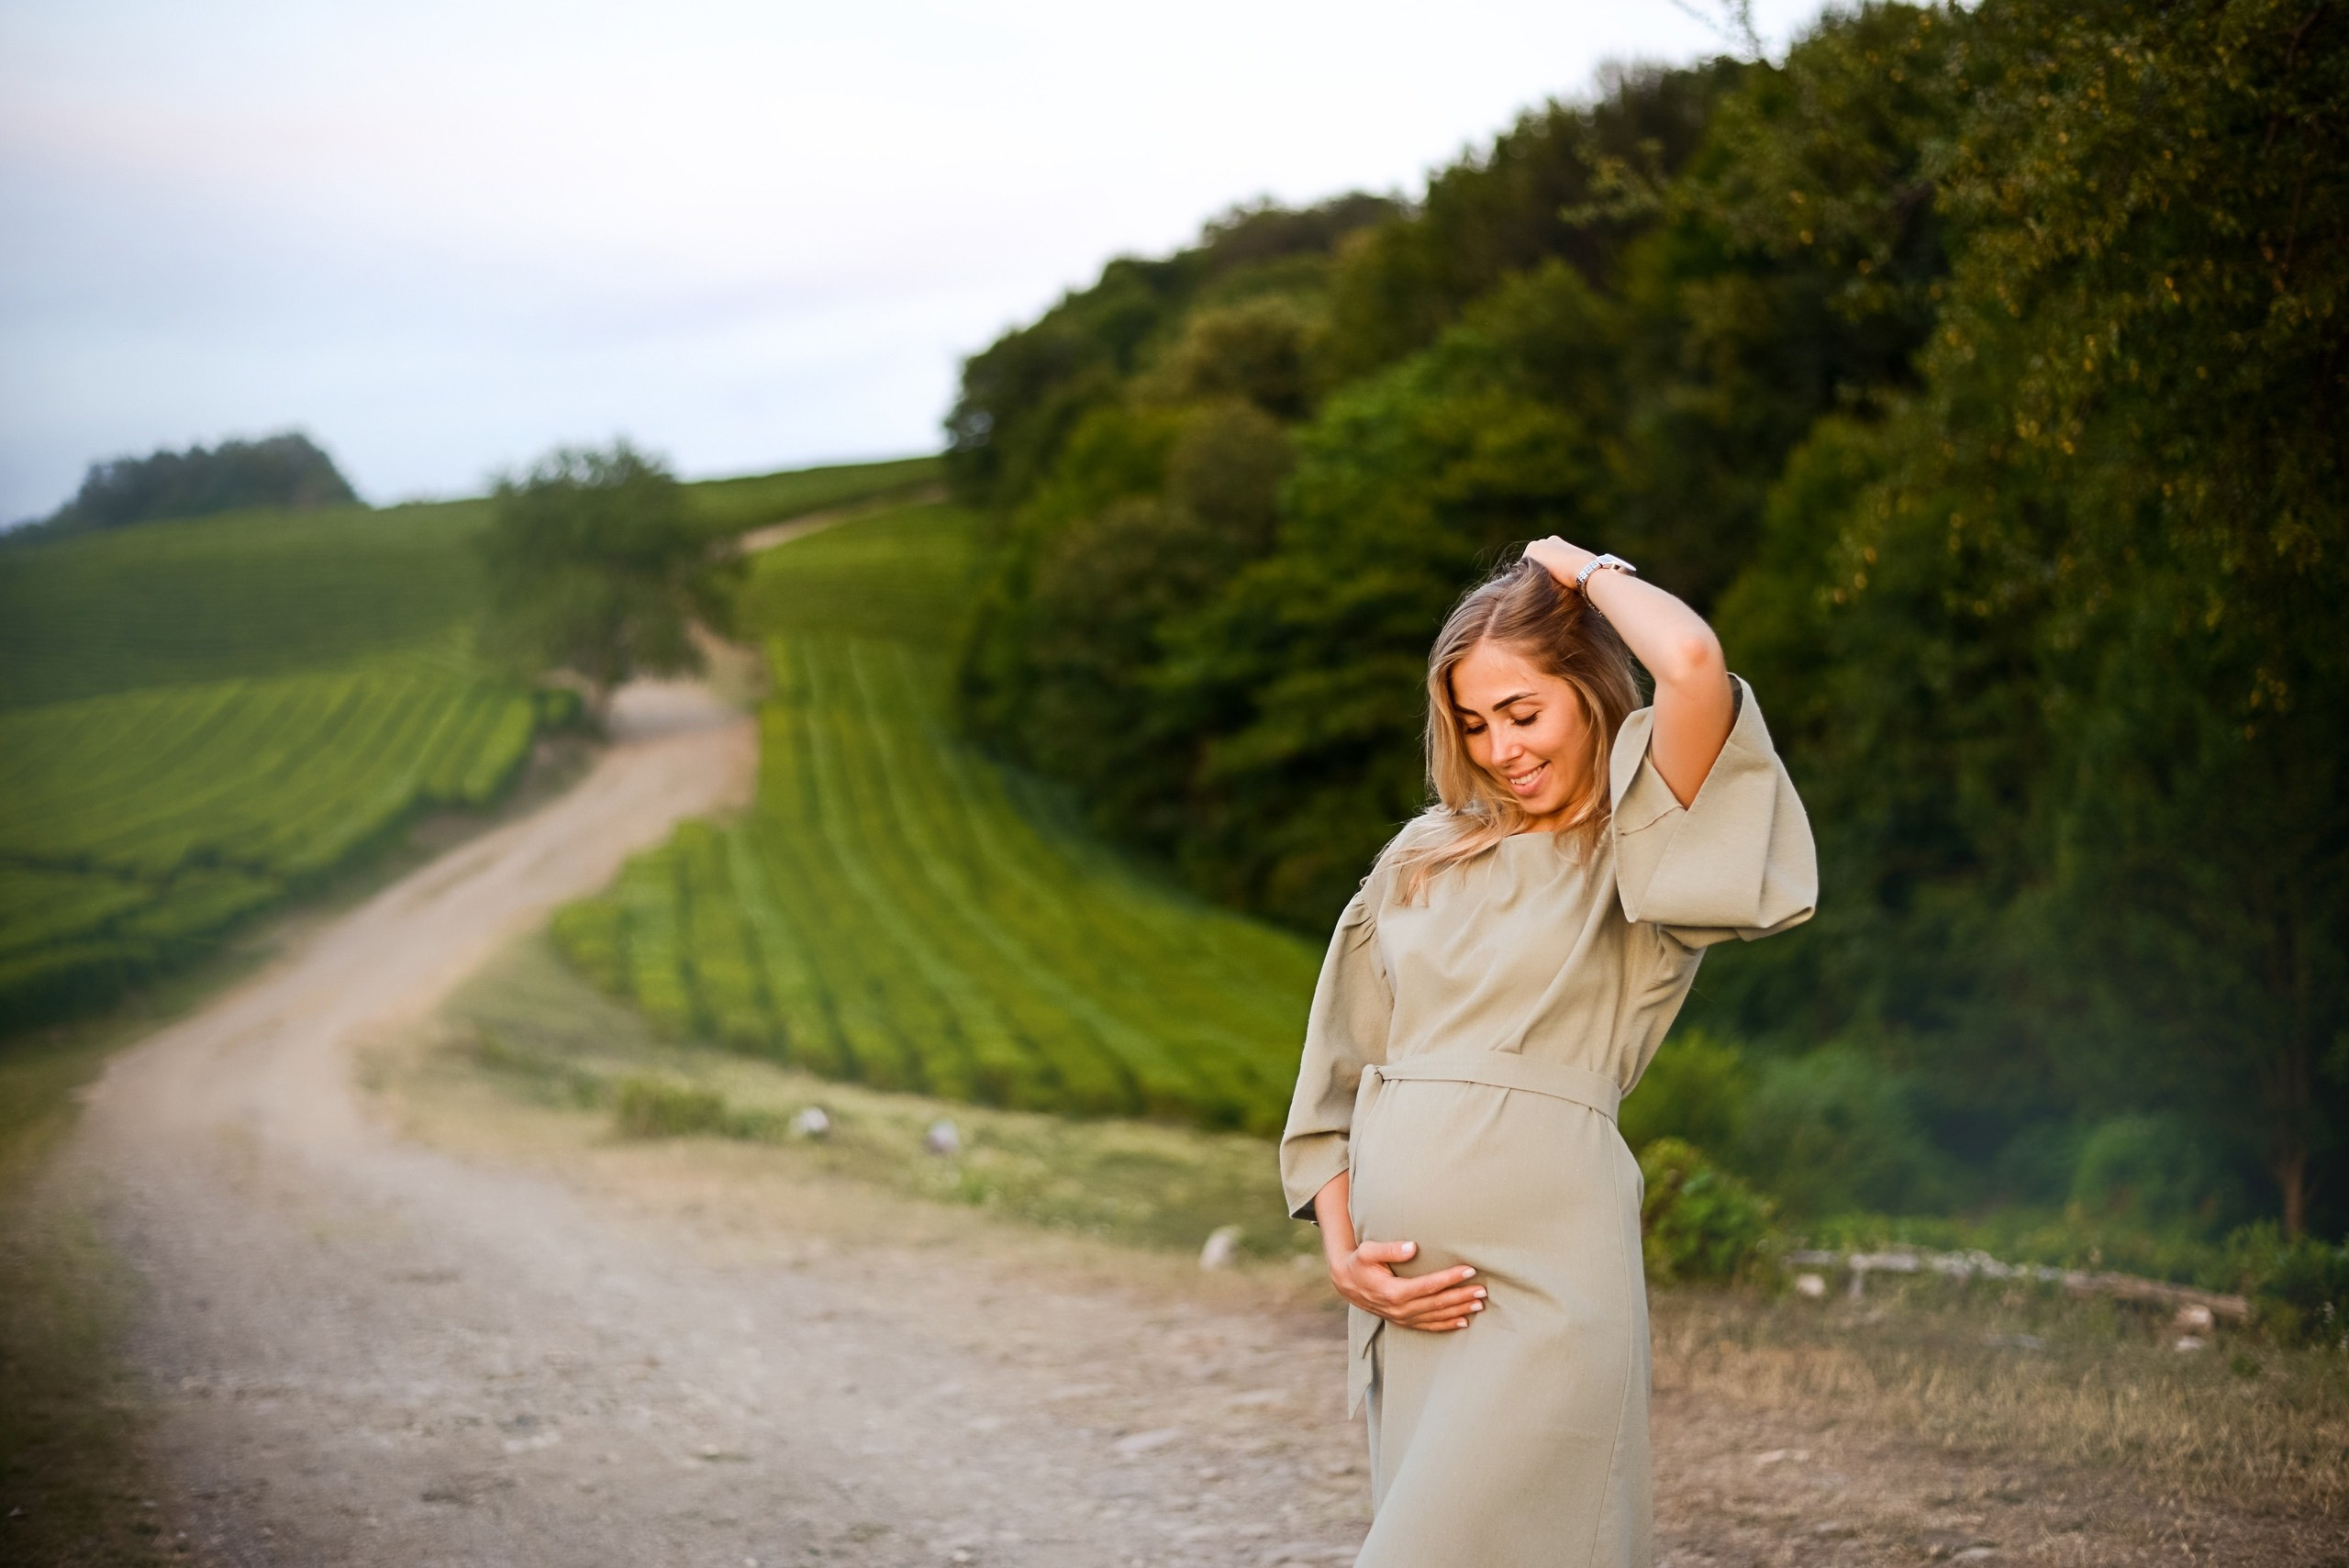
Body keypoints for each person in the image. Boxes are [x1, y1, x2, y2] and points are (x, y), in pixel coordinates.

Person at [1279, 538, 1817, 1567]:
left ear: (1588, 691)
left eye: (1523, 712)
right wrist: (1347, 1259)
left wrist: (1571, 566)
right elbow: (1337, 1067)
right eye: (1473, 723)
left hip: (1551, 1294)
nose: (1499, 748)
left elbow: (1693, 663)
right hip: (1418, 1309)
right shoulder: (1420, 855)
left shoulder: (1643, 840)